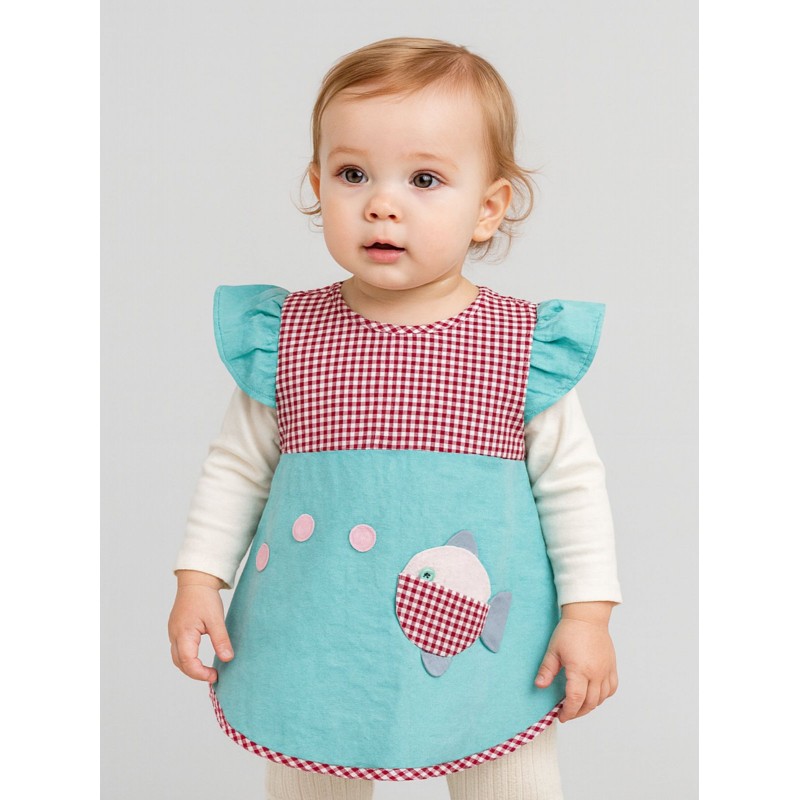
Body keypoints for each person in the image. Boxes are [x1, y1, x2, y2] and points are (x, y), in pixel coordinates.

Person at [168, 37, 622, 800]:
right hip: (316, 631)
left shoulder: (521, 347)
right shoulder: (287, 338)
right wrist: (198, 579)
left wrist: (589, 614)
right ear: (318, 185)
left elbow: (574, 489)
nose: (382, 203)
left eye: (424, 179)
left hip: (485, 649)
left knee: (511, 779)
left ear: (488, 209)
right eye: (353, 174)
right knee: (311, 773)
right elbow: (236, 470)